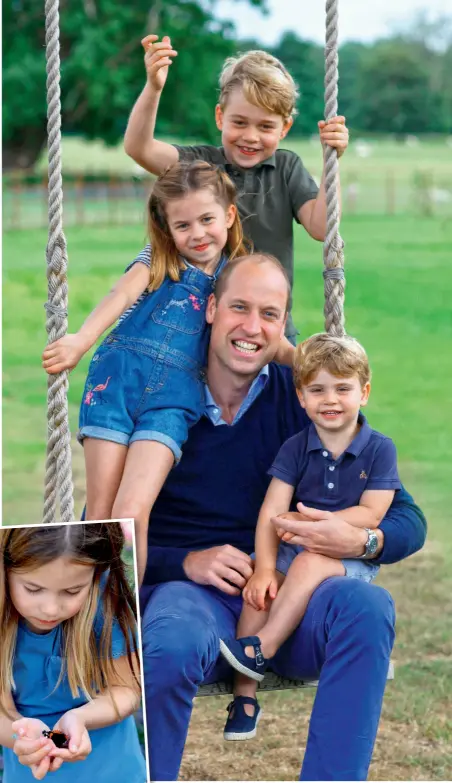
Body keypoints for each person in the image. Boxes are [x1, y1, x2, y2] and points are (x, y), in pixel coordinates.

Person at [139, 253, 427, 781]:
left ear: (283, 328)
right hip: (196, 596)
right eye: (240, 308)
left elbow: (407, 519)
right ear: (210, 309)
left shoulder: (307, 403)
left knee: (365, 606)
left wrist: (359, 539)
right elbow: (103, 535)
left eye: (270, 314)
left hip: (294, 595)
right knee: (171, 637)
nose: (253, 327)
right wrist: (186, 562)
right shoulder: (160, 400)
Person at [43, 162, 292, 584]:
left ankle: (124, 615)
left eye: (207, 220)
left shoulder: (235, 276)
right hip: (117, 382)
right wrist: (80, 340)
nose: (197, 234)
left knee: (131, 513)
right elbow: (120, 295)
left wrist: (319, 361)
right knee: (100, 512)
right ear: (167, 227)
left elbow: (274, 340)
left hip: (174, 401)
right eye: (183, 224)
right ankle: (89, 617)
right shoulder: (158, 258)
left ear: (229, 216)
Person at [219, 332, 401, 740]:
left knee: (309, 560)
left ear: (364, 392)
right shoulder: (296, 447)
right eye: (317, 390)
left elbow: (373, 512)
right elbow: (271, 510)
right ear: (301, 398)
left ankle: (263, 647)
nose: (330, 400)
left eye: (343, 388)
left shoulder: (379, 450)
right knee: (258, 591)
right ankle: (245, 696)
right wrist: (265, 568)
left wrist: (322, 526)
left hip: (347, 555)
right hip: (294, 546)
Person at [124, 41, 349, 342]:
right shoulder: (200, 165)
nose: (251, 137)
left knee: (284, 386)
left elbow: (322, 227)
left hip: (270, 330)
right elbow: (139, 148)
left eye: (266, 127)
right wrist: (153, 87)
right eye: (239, 123)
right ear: (220, 117)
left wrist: (331, 161)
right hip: (201, 332)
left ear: (284, 129)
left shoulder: (286, 168)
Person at [0, 522, 146, 783]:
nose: (50, 609)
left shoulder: (105, 600)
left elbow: (126, 689)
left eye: (72, 591)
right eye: (33, 589)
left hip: (115, 770)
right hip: (29, 774)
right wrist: (21, 736)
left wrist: (80, 718)